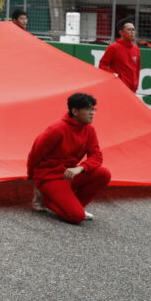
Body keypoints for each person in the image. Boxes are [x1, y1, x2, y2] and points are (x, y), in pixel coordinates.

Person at [27, 92, 110, 224]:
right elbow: (35, 154)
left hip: (68, 174)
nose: (92, 113)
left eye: (93, 109)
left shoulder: (89, 130)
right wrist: (33, 178)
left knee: (103, 174)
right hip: (50, 177)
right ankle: (47, 200)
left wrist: (81, 168)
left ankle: (74, 205)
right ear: (75, 111)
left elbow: (97, 157)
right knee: (76, 217)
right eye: (88, 109)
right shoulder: (56, 129)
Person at [98, 18, 140, 92]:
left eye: (133, 29)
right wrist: (114, 74)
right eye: (129, 30)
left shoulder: (136, 48)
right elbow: (102, 65)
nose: (132, 32)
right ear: (121, 32)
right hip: (118, 87)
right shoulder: (113, 47)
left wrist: (136, 85)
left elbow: (137, 69)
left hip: (132, 88)